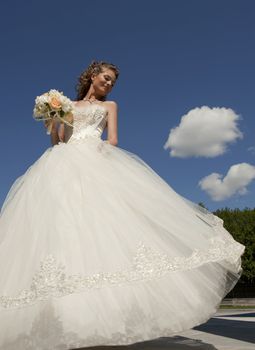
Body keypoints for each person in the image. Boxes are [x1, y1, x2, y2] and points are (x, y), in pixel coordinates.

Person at [0, 60, 245, 350]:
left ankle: (101, 317)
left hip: (95, 159)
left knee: (105, 230)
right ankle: (68, 318)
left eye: (113, 81)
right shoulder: (67, 106)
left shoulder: (110, 106)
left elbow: (113, 140)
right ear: (93, 76)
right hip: (62, 166)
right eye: (106, 78)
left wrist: (97, 156)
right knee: (63, 230)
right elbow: (57, 143)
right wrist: (53, 121)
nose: (109, 84)